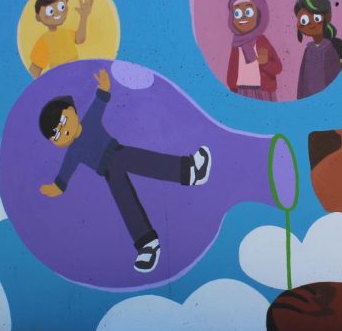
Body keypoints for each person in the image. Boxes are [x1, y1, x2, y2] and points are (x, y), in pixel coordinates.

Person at [38, 69, 212, 273]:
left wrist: (104, 88)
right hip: (109, 170)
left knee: (149, 163)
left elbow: (99, 103)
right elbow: (66, 169)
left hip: (118, 153)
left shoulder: (89, 121)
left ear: (73, 111)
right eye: (57, 134)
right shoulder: (73, 151)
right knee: (126, 201)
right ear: (55, 142)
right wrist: (58, 185)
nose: (64, 130)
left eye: (64, 122)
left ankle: (190, 172)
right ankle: (147, 244)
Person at [27, 0, 96, 77]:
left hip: (76, 76)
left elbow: (80, 39)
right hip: (59, 81)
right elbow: (34, 71)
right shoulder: (45, 40)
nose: (56, 12)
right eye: (50, 11)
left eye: (61, 7)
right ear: (38, 17)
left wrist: (84, 17)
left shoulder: (66, 32)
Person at [225, 0, 282, 101]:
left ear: (259, 15)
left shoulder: (262, 41)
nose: (243, 17)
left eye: (248, 12)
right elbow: (232, 70)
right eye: (237, 13)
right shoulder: (236, 44)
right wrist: (232, 88)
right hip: (240, 92)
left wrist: (266, 63)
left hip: (263, 92)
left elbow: (278, 68)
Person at [293, 0, 342, 99]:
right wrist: (300, 99)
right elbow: (302, 78)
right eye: (304, 20)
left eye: (316, 18)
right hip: (308, 99)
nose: (311, 24)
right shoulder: (308, 49)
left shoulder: (329, 50)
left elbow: (333, 78)